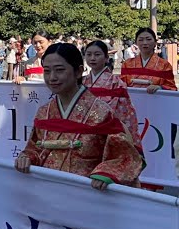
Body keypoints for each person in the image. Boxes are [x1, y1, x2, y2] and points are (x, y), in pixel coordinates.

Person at [14, 43, 143, 190]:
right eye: (47, 71)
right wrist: (27, 157)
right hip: (47, 191)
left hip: (86, 195)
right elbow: (34, 148)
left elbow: (125, 156)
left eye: (60, 70)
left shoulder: (100, 112)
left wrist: (106, 173)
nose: (52, 77)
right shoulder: (44, 112)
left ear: (78, 71)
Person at [82, 40, 142, 157]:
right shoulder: (81, 81)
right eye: (89, 54)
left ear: (106, 58)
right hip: (82, 130)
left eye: (97, 54)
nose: (92, 58)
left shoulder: (116, 82)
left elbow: (123, 111)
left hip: (107, 130)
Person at [120, 27, 177, 93]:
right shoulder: (127, 64)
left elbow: (172, 88)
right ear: (136, 43)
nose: (145, 43)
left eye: (148, 39)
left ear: (155, 43)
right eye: (141, 40)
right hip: (131, 101)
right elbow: (121, 86)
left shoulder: (165, 65)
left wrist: (160, 88)